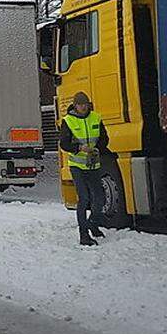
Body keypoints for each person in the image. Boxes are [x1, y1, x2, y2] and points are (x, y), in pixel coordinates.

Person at [60, 91, 109, 246]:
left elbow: (104, 138)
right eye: (80, 104)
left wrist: (97, 149)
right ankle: (84, 235)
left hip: (93, 164)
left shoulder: (96, 117)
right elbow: (64, 143)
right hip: (77, 166)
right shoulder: (68, 121)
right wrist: (79, 148)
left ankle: (93, 223)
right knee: (84, 198)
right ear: (75, 106)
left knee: (100, 198)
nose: (83, 107)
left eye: (85, 104)